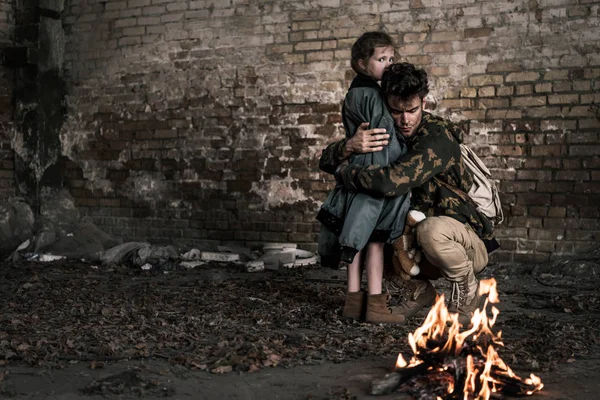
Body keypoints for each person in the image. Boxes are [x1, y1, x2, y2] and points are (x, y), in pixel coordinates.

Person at [319, 62, 500, 327]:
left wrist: (346, 173)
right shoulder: (386, 131)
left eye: (412, 110)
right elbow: (325, 161)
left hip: (464, 240)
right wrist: (348, 146)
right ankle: (418, 291)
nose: (405, 120)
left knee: (429, 229)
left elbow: (390, 182)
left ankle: (467, 293)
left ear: (423, 103)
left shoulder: (436, 138)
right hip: (417, 243)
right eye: (396, 111)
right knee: (375, 222)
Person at [316, 32, 411, 324]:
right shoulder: (371, 95)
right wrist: (399, 159)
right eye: (381, 59)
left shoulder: (356, 93)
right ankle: (375, 305)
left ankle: (352, 302)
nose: (388, 64)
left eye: (391, 58)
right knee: (373, 243)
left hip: (357, 173)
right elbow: (383, 141)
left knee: (356, 242)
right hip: (371, 179)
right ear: (361, 64)